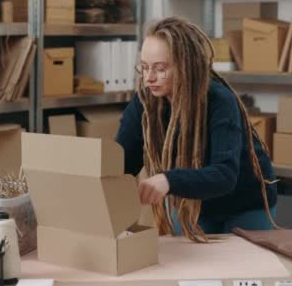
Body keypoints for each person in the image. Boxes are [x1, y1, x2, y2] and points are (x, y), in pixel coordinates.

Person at [115, 17, 278, 242]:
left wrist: (168, 180)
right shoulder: (145, 103)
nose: (149, 77)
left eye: (160, 69)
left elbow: (224, 175)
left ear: (185, 65)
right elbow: (122, 162)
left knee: (239, 268)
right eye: (144, 67)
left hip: (245, 201)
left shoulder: (219, 100)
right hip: (193, 202)